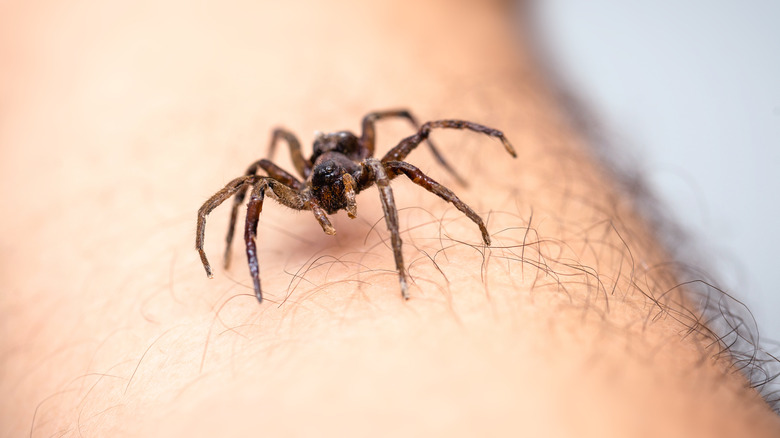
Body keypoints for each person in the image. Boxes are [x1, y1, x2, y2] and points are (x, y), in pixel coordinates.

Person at [2, 0, 778, 436]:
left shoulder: (369, 163)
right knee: (245, 177)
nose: (337, 193)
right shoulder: (295, 182)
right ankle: (243, 266)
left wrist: (455, 210)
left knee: (414, 143)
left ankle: (449, 222)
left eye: (341, 184)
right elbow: (244, 183)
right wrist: (230, 252)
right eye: (327, 185)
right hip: (308, 156)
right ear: (312, 181)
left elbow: (414, 126)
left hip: (361, 139)